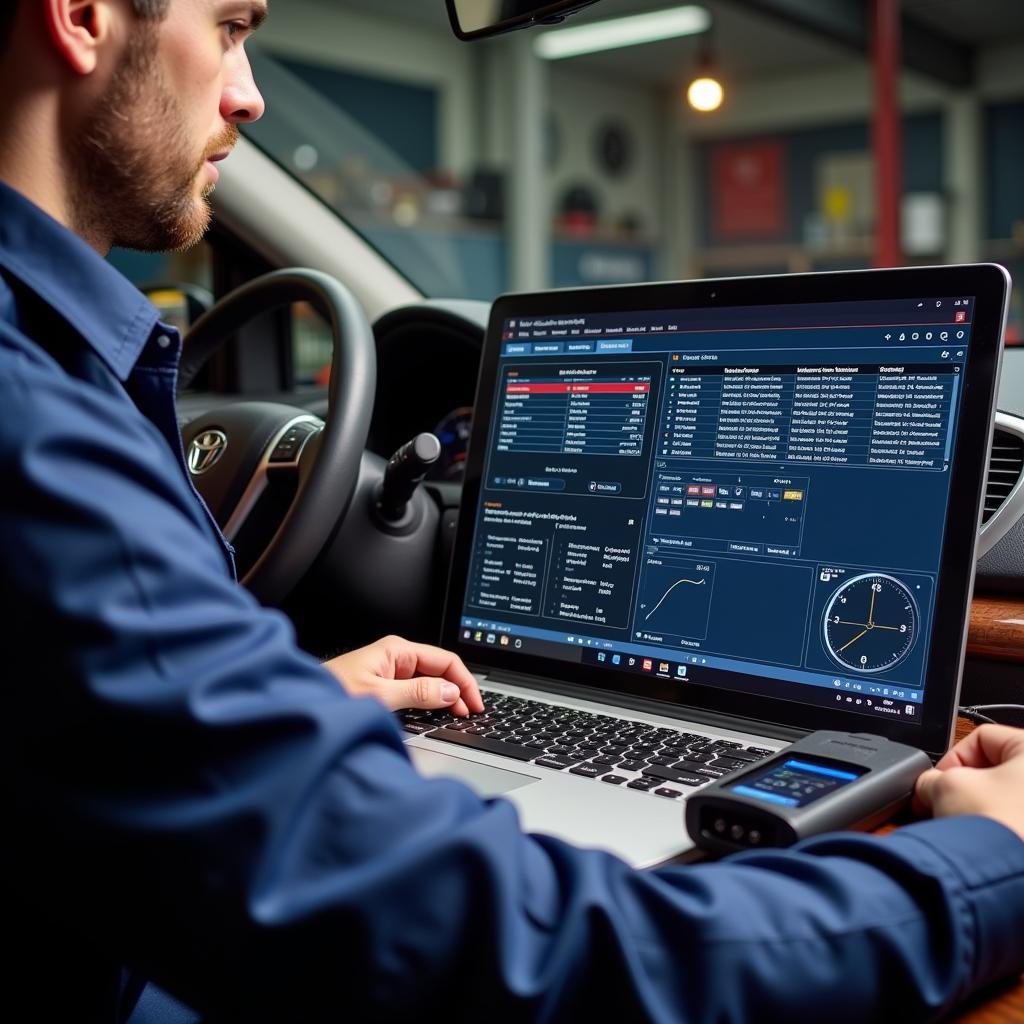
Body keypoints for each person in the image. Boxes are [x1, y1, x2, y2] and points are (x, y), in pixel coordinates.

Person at [1, 2, 1023, 1021]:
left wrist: (263, 716)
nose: (251, 90)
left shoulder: (50, 375)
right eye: (229, 25)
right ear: (84, 15)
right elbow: (522, 953)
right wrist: (989, 858)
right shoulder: (36, 428)